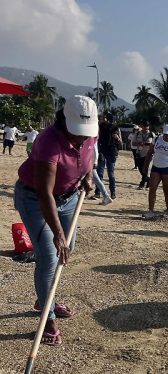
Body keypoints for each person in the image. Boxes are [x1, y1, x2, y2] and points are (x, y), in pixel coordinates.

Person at [14, 95, 99, 346]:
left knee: (67, 249)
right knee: (50, 255)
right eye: (77, 133)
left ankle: (45, 298)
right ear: (64, 122)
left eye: (85, 134)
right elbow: (44, 193)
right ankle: (47, 319)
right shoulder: (48, 141)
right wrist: (58, 234)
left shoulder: (90, 135)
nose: (81, 138)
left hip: (70, 196)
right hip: (36, 199)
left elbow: (89, 159)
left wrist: (88, 177)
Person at [143, 124, 168, 219]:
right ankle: (151, 211)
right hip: (156, 167)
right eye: (165, 134)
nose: (167, 136)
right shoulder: (156, 140)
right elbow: (150, 153)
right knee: (152, 188)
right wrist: (146, 165)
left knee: (167, 191)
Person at [94, 112, 120, 199]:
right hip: (102, 151)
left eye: (103, 117)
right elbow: (97, 139)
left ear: (107, 118)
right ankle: (97, 192)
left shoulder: (115, 128)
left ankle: (113, 192)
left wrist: (117, 138)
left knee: (111, 173)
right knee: (99, 173)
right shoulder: (99, 127)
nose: (101, 118)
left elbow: (120, 141)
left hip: (111, 151)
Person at [89, 141, 113, 205]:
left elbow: (95, 150)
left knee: (97, 180)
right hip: (89, 162)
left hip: (89, 162)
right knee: (97, 180)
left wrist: (95, 162)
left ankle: (106, 196)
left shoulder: (92, 137)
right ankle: (106, 196)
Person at [133, 123, 155, 189]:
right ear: (142, 127)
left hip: (148, 154)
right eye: (144, 127)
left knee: (145, 168)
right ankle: (148, 180)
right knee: (140, 169)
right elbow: (133, 143)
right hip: (139, 153)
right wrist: (139, 143)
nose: (146, 129)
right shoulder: (137, 134)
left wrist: (145, 144)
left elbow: (154, 144)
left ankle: (142, 184)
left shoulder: (152, 134)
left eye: (147, 127)